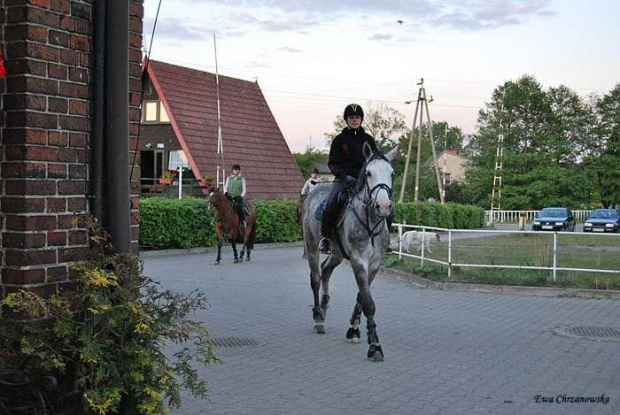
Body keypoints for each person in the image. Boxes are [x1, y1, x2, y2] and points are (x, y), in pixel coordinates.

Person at [319, 104, 379, 253]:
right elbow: (332, 164)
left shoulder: (369, 139)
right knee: (331, 203)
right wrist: (344, 176)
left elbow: (375, 161)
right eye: (351, 117)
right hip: (344, 179)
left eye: (357, 117)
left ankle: (384, 240)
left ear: (361, 119)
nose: (354, 120)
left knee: (386, 203)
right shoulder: (339, 140)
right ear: (346, 120)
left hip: (366, 180)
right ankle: (325, 239)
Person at [225, 164, 247, 228]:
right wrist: (225, 192)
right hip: (229, 196)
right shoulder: (228, 178)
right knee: (221, 204)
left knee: (238, 206)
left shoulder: (242, 179)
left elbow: (244, 189)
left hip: (237, 197)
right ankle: (216, 219)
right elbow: (225, 187)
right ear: (232, 171)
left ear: (239, 171)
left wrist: (241, 196)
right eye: (234, 170)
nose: (235, 171)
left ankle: (242, 221)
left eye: (237, 170)